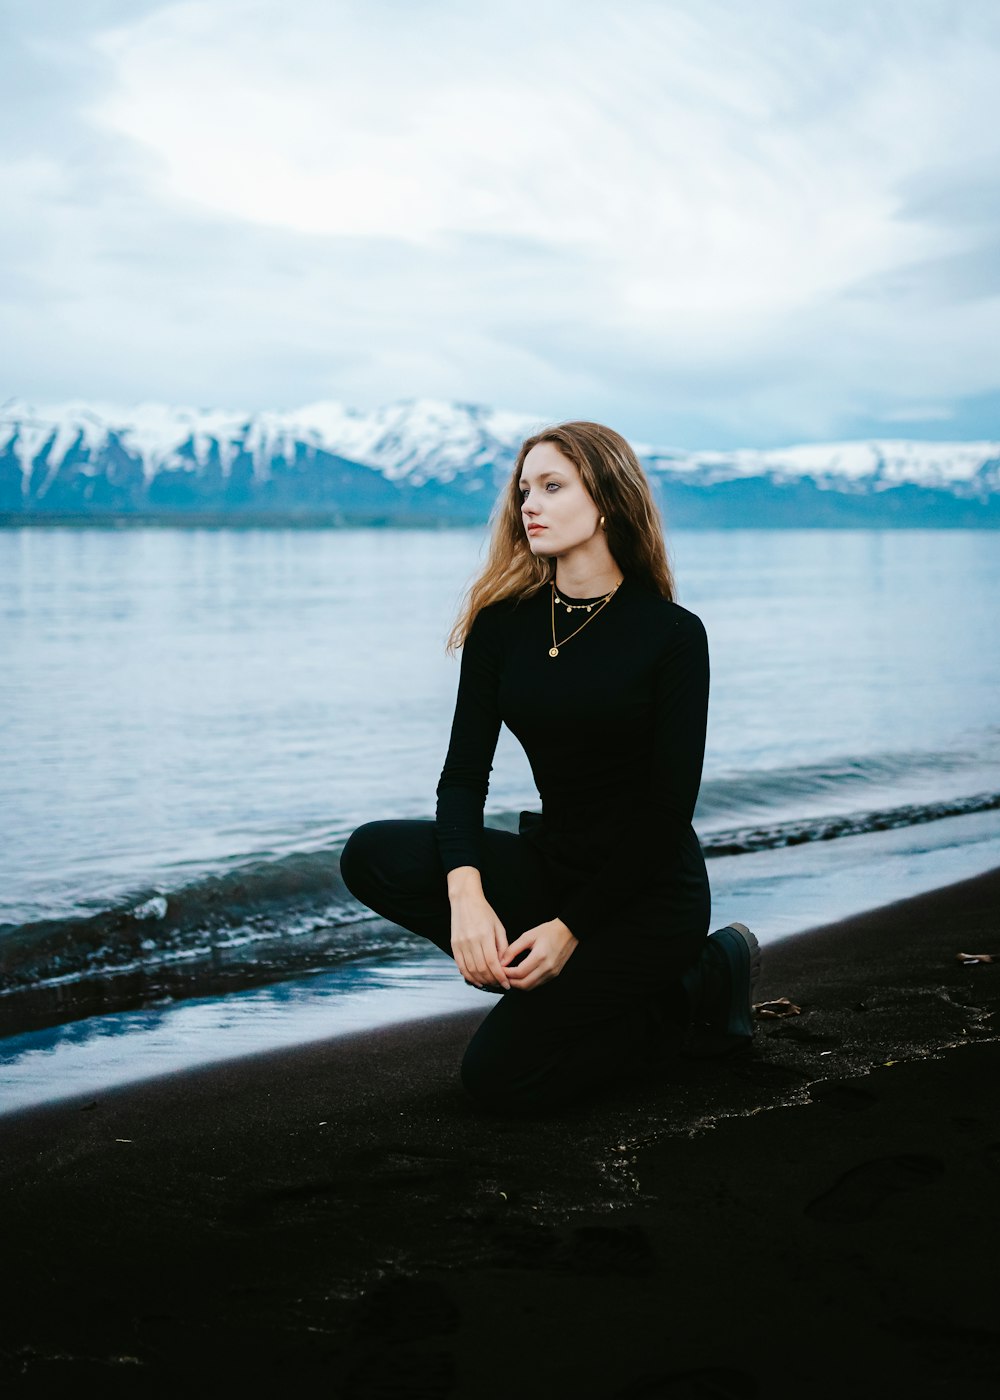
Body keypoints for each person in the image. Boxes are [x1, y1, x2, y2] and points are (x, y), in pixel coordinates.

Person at [340, 420, 758, 1115]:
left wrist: (570, 932)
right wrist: (466, 898)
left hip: (648, 895)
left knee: (499, 1082)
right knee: (371, 854)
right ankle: (565, 986)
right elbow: (463, 780)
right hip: (553, 864)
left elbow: (665, 814)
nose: (527, 504)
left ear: (607, 499)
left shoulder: (673, 635)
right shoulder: (503, 626)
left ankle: (691, 989)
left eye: (552, 486)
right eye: (524, 488)